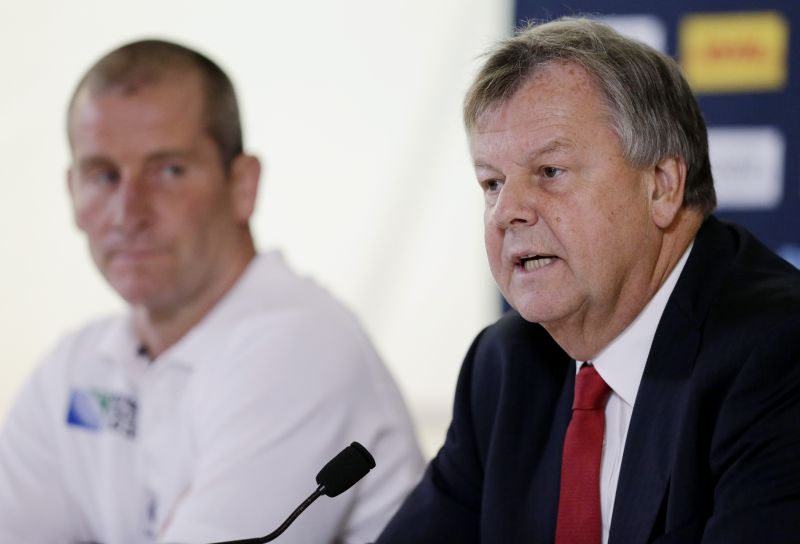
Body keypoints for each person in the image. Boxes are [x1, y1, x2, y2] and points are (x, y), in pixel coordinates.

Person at [377, 16, 800, 544]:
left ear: (663, 187)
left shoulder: (779, 354)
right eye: (491, 183)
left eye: (550, 172)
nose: (507, 211)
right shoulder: (504, 368)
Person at [0, 39, 424, 543]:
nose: (128, 213)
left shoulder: (298, 347)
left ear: (243, 185)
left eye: (168, 170)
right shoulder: (75, 366)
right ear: (72, 192)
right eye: (104, 176)